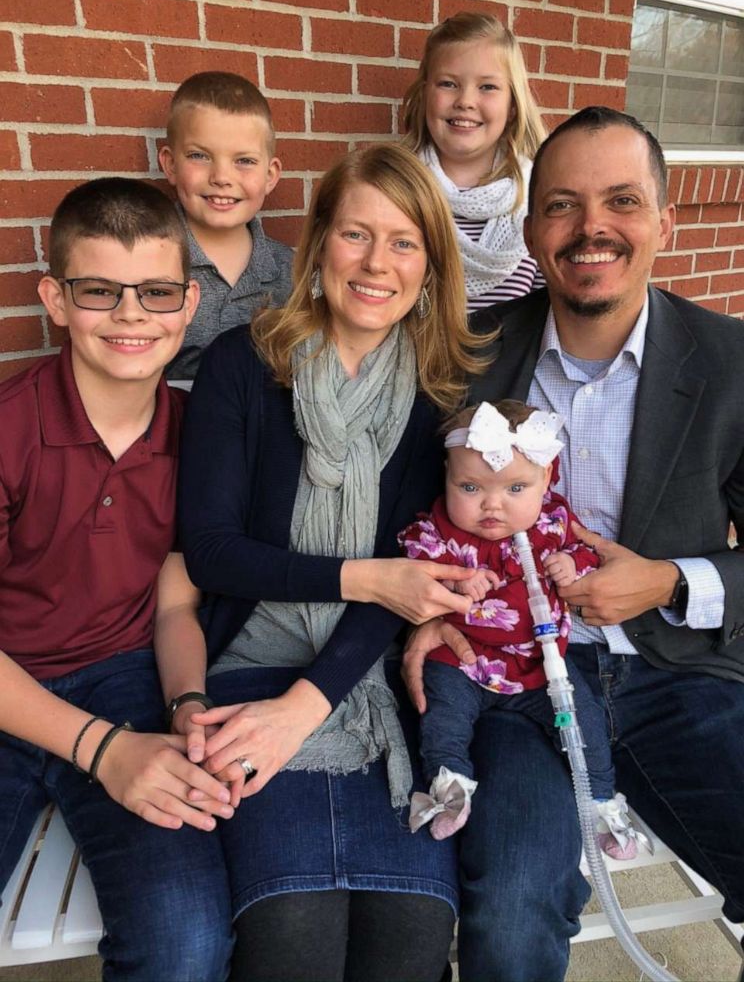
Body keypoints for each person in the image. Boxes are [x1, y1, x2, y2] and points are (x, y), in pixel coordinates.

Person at [403, 106, 744, 982]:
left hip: (677, 673)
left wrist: (671, 578)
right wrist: (423, 611)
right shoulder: (472, 355)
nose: (592, 228)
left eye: (622, 201)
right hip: (515, 682)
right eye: (563, 205)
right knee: (514, 912)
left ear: (666, 221)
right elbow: (411, 519)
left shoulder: (731, 362)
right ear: (532, 227)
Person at [178, 142, 493, 982]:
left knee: (414, 939)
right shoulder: (242, 367)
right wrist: (362, 576)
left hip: (369, 676)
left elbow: (413, 583)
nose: (377, 263)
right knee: (292, 937)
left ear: (429, 267)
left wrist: (304, 708)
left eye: (403, 242)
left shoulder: (433, 396)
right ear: (319, 245)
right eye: (357, 234)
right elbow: (210, 553)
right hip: (246, 668)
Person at [0, 178, 233, 981]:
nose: (132, 315)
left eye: (157, 292)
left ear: (189, 301)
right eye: (99, 290)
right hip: (9, 681)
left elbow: (173, 601)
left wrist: (187, 704)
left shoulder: (197, 434)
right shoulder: (8, 427)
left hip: (127, 683)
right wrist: (103, 751)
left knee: (187, 946)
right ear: (55, 300)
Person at [400, 399, 640, 859]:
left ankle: (600, 802)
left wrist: (573, 563)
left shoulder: (552, 522)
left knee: (582, 719)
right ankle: (450, 786)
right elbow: (412, 561)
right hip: (464, 657)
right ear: (446, 476)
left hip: (538, 662)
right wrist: (454, 575)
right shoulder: (441, 529)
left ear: (545, 480)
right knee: (441, 713)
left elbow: (588, 551)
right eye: (470, 487)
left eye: (516, 488)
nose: (493, 504)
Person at [402, 11, 546, 313]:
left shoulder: (536, 195)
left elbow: (547, 308)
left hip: (510, 360)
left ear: (512, 105)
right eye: (448, 84)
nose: (466, 100)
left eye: (487, 87)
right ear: (425, 93)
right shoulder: (397, 187)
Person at [158, 71, 293, 380]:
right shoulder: (144, 265)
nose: (221, 177)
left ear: (270, 175)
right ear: (170, 164)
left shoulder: (291, 272)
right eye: (199, 156)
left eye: (244, 161)